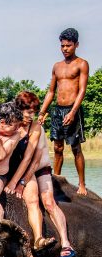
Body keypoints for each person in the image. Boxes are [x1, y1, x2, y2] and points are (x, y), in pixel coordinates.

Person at [5, 91, 75, 257]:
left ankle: (65, 243)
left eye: (34, 112)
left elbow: (33, 160)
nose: (32, 116)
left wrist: (21, 182)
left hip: (38, 168)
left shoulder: (36, 127)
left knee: (48, 202)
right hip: (19, 168)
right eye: (29, 112)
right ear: (19, 109)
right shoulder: (11, 123)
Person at [38, 27, 89, 195]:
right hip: (57, 110)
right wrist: (42, 112)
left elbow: (82, 90)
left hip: (72, 109)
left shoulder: (81, 64)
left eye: (68, 45)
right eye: (62, 46)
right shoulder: (57, 66)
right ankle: (56, 178)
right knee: (58, 147)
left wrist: (73, 112)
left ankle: (82, 184)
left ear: (76, 45)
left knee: (75, 148)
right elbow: (51, 91)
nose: (65, 49)